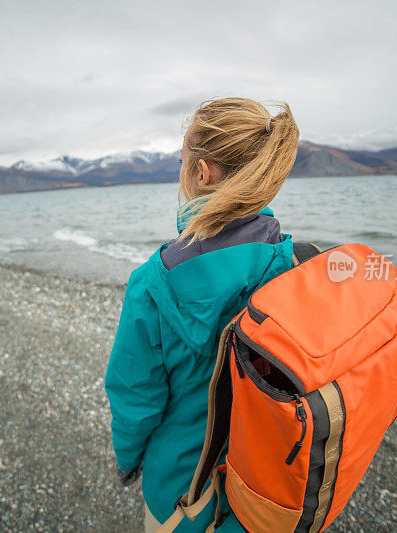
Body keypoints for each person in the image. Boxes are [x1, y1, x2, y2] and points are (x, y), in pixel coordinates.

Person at [105, 97, 300, 532]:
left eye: (182, 161)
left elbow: (136, 397)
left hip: (183, 492)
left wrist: (127, 459)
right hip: (267, 495)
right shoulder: (295, 266)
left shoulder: (153, 284)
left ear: (202, 171)